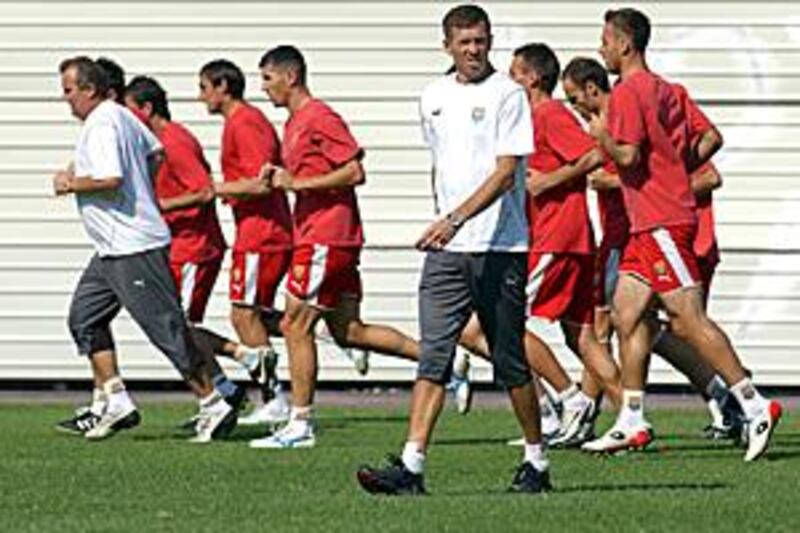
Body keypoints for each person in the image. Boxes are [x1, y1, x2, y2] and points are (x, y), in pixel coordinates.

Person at [356, 4, 551, 494]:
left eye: (481, 41)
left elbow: (507, 174)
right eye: (464, 42)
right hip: (447, 253)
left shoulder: (508, 95)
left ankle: (537, 461)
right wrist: (444, 221)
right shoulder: (433, 96)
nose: (473, 50)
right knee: (434, 357)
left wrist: (453, 219)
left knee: (509, 360)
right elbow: (442, 164)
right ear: (447, 45)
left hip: (500, 247)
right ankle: (412, 467)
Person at [584, 8, 780, 461]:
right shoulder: (668, 89)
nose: (602, 49)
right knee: (626, 316)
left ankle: (754, 404)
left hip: (661, 221)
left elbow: (629, 156)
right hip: (650, 223)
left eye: (606, 41)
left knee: (687, 319)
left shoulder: (631, 91)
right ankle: (632, 419)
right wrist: (674, 168)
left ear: (625, 44)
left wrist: (603, 138)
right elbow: (710, 137)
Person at [562, 56, 745, 442]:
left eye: (574, 98)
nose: (573, 107)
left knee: (676, 324)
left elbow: (707, 171)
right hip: (633, 236)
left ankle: (743, 398)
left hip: (662, 232)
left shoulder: (645, 105)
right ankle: (630, 416)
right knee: (628, 321)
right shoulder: (649, 101)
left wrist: (635, 176)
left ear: (593, 89)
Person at [54, 56, 236, 443]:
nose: (65, 99)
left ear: (89, 89)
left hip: (133, 246)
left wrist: (70, 183)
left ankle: (213, 403)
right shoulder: (123, 116)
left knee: (167, 330)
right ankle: (116, 399)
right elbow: (155, 154)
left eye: (69, 90)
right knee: (84, 318)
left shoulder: (103, 121)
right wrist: (144, 195)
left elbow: (110, 178)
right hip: (109, 249)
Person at [251, 44, 421, 449]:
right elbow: (312, 171)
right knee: (348, 331)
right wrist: (282, 175)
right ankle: (443, 362)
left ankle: (300, 423)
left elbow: (354, 170)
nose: (264, 88)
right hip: (327, 235)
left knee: (295, 325)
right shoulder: (294, 122)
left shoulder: (319, 116)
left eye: (268, 78)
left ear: (290, 77)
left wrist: (297, 184)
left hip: (327, 236)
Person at [508, 42, 623, 446]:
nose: (509, 80)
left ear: (533, 77)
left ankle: (569, 399)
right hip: (568, 238)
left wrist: (547, 182)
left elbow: (592, 155)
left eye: (514, 73)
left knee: (504, 322)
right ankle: (631, 417)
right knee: (582, 336)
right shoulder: (532, 118)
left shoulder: (549, 114)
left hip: (558, 237)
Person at [198, 59, 293, 426]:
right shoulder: (238, 122)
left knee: (243, 314)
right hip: (256, 231)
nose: (200, 96)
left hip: (263, 233)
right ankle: (335, 334)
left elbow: (261, 182)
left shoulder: (245, 122)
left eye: (204, 87)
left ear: (223, 86)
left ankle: (275, 398)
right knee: (260, 316)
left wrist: (213, 190)